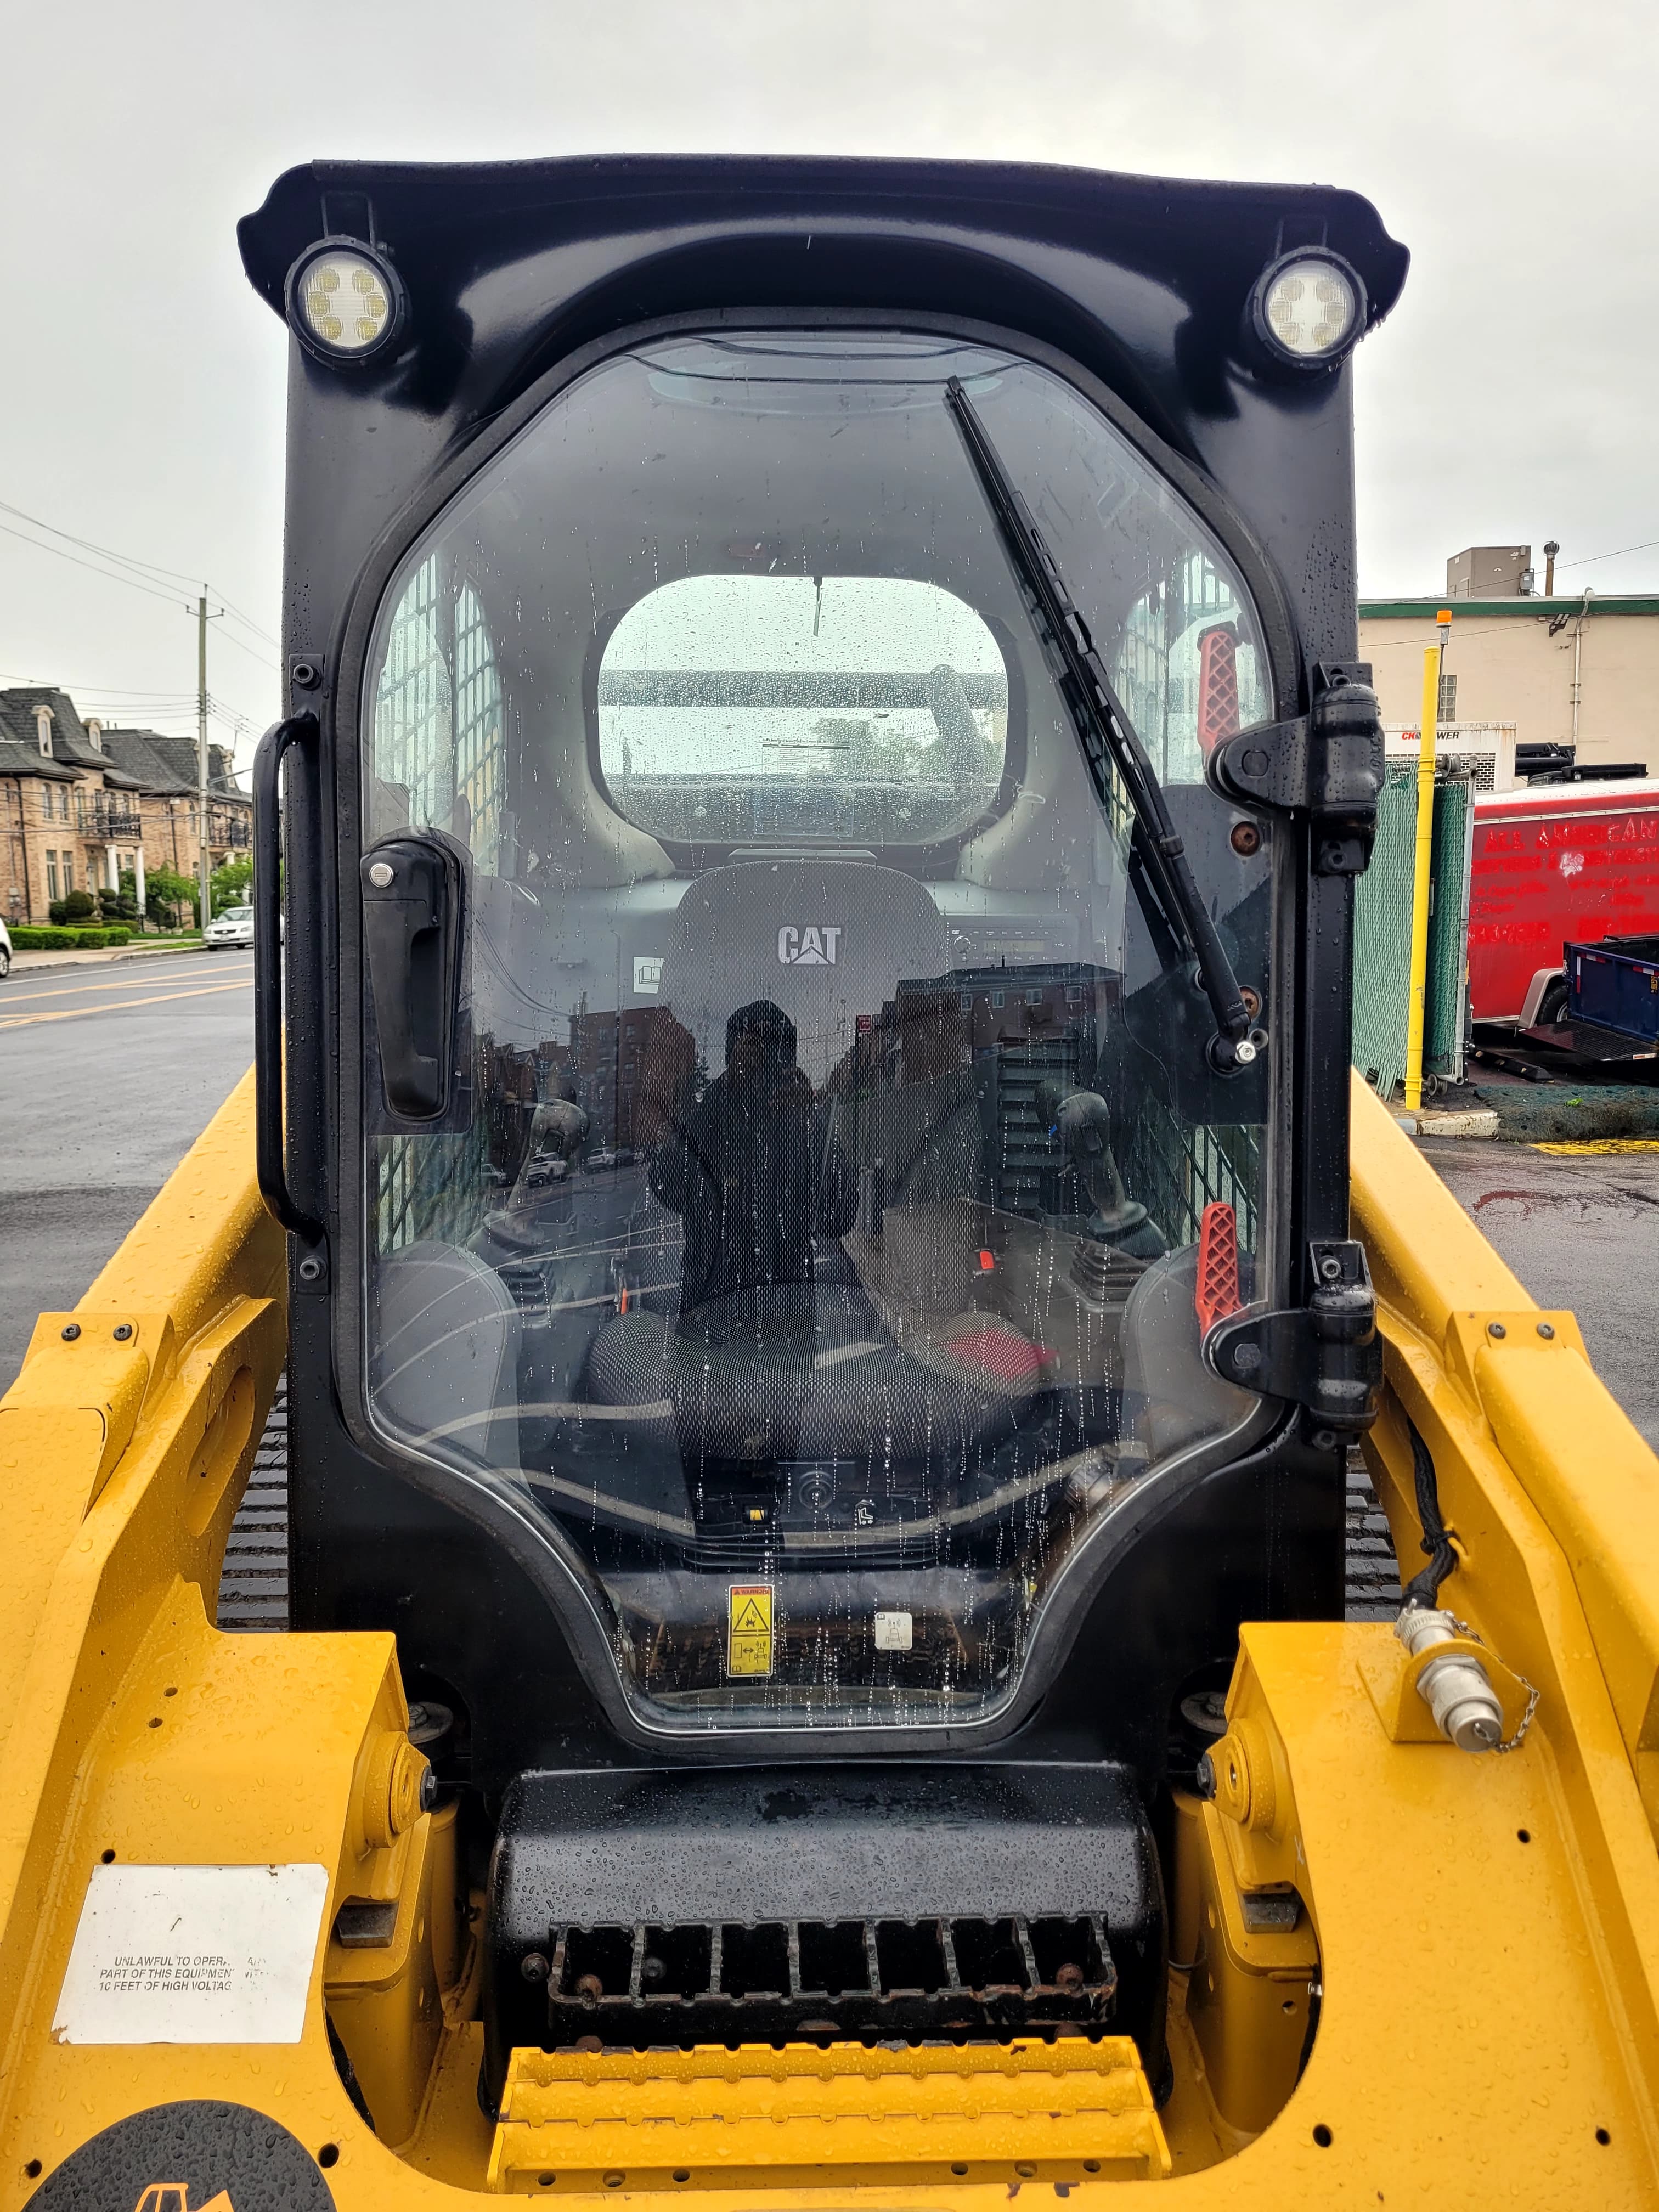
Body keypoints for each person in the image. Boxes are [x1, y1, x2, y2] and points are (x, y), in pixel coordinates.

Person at [648, 1000, 855, 1499]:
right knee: (701, 1467)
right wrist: (725, 1092)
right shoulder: (713, 1110)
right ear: (731, 1053)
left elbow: (838, 1217)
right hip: (709, 1316)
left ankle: (772, 1534)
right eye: (751, 1047)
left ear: (790, 1057)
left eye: (774, 1049)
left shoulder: (802, 1114)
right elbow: (667, 1185)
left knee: (780, 1467)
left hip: (785, 1320)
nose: (762, 1061)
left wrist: (812, 1122)